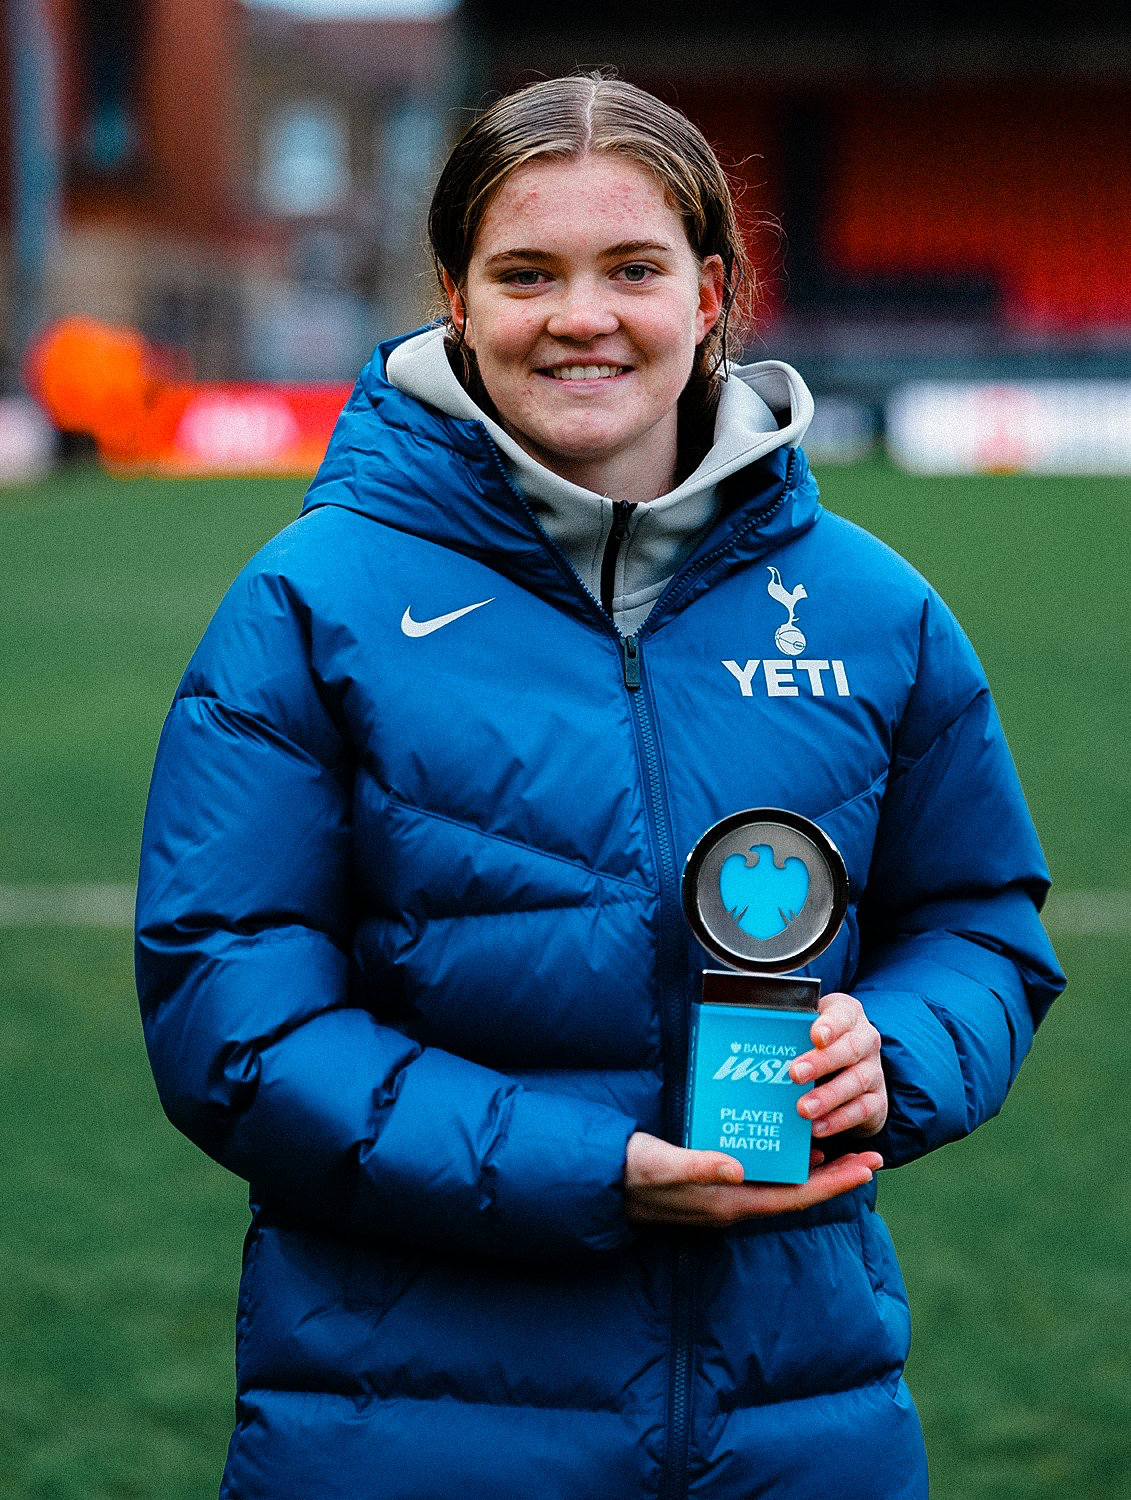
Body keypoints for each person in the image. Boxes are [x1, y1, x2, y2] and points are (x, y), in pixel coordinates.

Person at [135, 73, 1065, 1500]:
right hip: (405, 1429)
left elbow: (982, 921)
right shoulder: (312, 604)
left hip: (800, 1425)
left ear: (707, 294)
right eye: (527, 273)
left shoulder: (875, 608)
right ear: (456, 298)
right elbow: (230, 1017)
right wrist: (593, 1168)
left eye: (631, 268)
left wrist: (903, 1046)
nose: (582, 316)